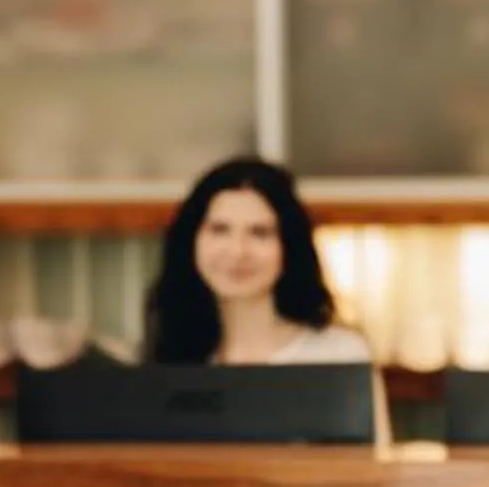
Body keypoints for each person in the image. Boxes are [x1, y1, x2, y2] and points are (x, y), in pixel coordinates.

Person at [145, 157, 374, 369]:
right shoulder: (165, 360)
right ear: (190, 240)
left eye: (259, 233)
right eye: (219, 230)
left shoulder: (340, 355)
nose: (238, 251)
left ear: (289, 246)